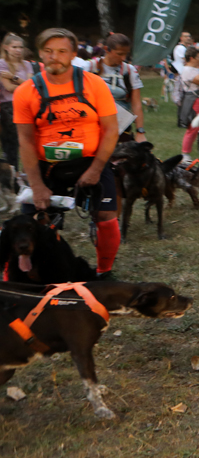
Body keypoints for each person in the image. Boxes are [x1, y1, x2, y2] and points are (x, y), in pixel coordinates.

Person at [14, 28, 120, 278]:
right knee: (29, 223)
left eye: (62, 51)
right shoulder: (26, 91)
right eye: (48, 51)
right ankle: (25, 275)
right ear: (40, 54)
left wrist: (96, 170)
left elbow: (111, 130)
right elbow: (25, 141)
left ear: (73, 54)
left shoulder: (95, 84)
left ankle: (104, 272)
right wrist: (37, 186)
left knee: (106, 216)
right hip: (47, 166)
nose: (55, 57)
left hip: (90, 162)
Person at [90, 33, 146, 142]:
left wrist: (140, 131)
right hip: (94, 126)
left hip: (121, 127)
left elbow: (136, 103)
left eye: (126, 54)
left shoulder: (129, 71)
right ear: (107, 49)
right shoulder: (89, 67)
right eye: (119, 54)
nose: (123, 58)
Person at [0, 35, 34, 167]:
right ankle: (13, 170)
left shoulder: (27, 65)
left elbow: (32, 86)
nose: (18, 50)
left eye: (20, 47)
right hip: (9, 106)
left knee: (30, 140)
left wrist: (13, 77)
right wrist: (23, 84)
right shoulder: (2, 64)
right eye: (14, 47)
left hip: (27, 104)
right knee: (12, 141)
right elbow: (8, 88)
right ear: (6, 47)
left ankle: (26, 171)